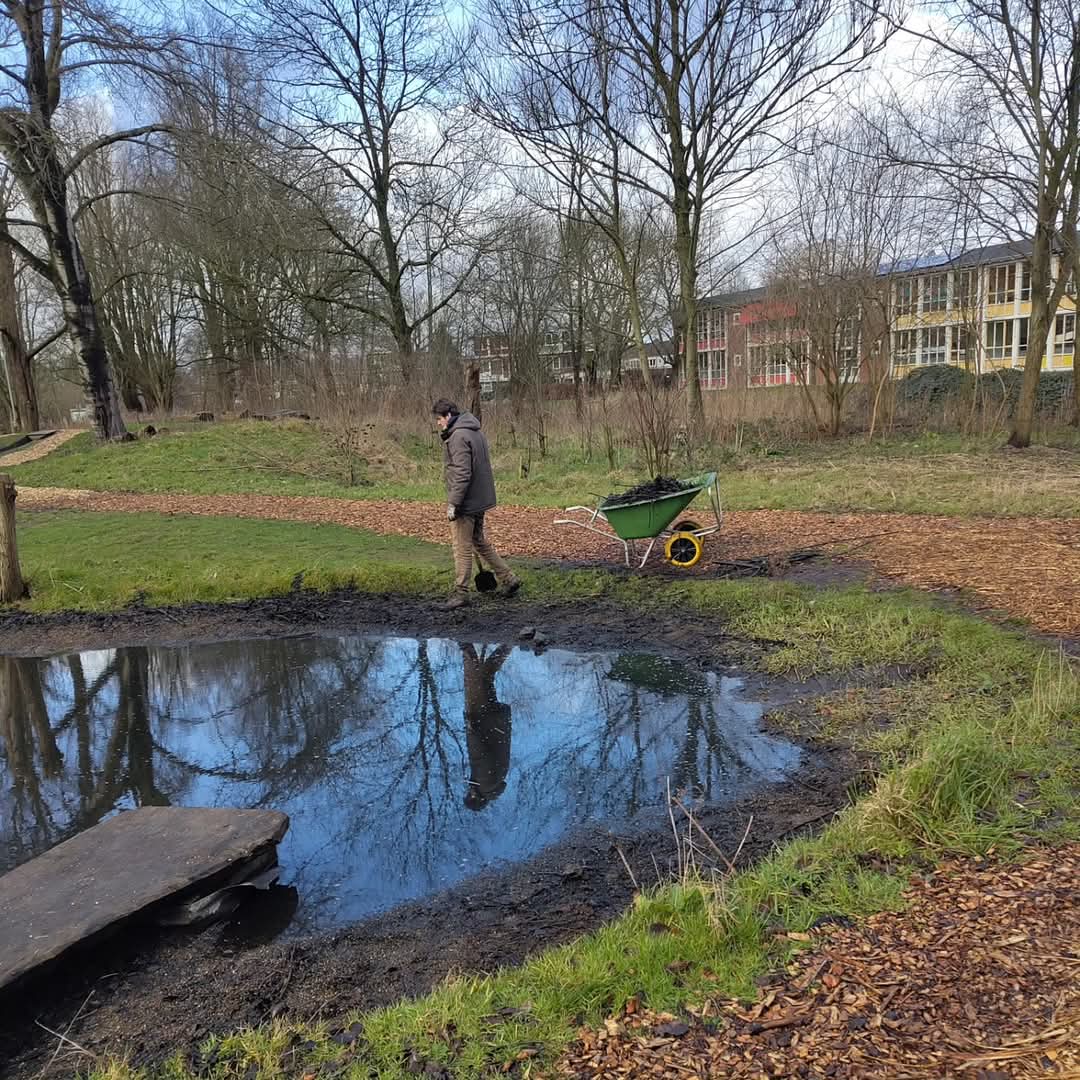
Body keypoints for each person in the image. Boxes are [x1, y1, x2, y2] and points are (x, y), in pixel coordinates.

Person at [433, 398, 521, 610]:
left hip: (467, 501)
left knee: (461, 547)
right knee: (479, 542)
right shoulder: (475, 431)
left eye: (439, 419)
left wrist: (454, 503)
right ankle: (509, 578)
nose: (438, 423)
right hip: (480, 499)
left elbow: (462, 473)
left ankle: (461, 593)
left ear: (448, 416)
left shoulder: (458, 436)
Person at [460, 643, 513, 811]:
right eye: (468, 795)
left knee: (485, 678)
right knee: (474, 683)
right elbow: (479, 755)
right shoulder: (484, 783)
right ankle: (465, 645)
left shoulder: (494, 785)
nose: (468, 791)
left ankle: (509, 644)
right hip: (482, 721)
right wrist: (470, 729)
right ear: (475, 798)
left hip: (494, 722)